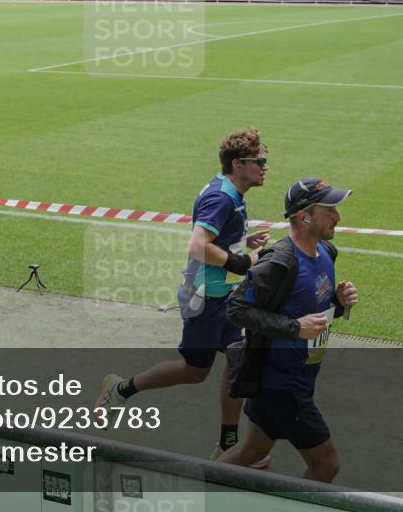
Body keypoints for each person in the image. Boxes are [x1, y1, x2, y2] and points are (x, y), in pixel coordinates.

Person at [95, 127, 271, 465]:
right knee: (195, 370)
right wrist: (243, 260)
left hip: (226, 296)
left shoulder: (232, 193)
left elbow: (213, 241)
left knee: (238, 362)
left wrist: (241, 244)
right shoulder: (221, 197)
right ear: (238, 164)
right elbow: (197, 245)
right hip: (206, 299)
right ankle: (120, 388)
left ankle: (228, 444)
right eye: (259, 161)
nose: (265, 167)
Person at [217, 177, 359, 482]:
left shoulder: (326, 252)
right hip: (280, 385)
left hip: (300, 376)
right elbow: (236, 308)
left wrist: (338, 301)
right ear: (304, 215)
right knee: (326, 464)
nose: (338, 216)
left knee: (252, 450)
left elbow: (311, 307)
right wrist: (295, 328)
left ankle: (195, 487)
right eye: (330, 209)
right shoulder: (279, 263)